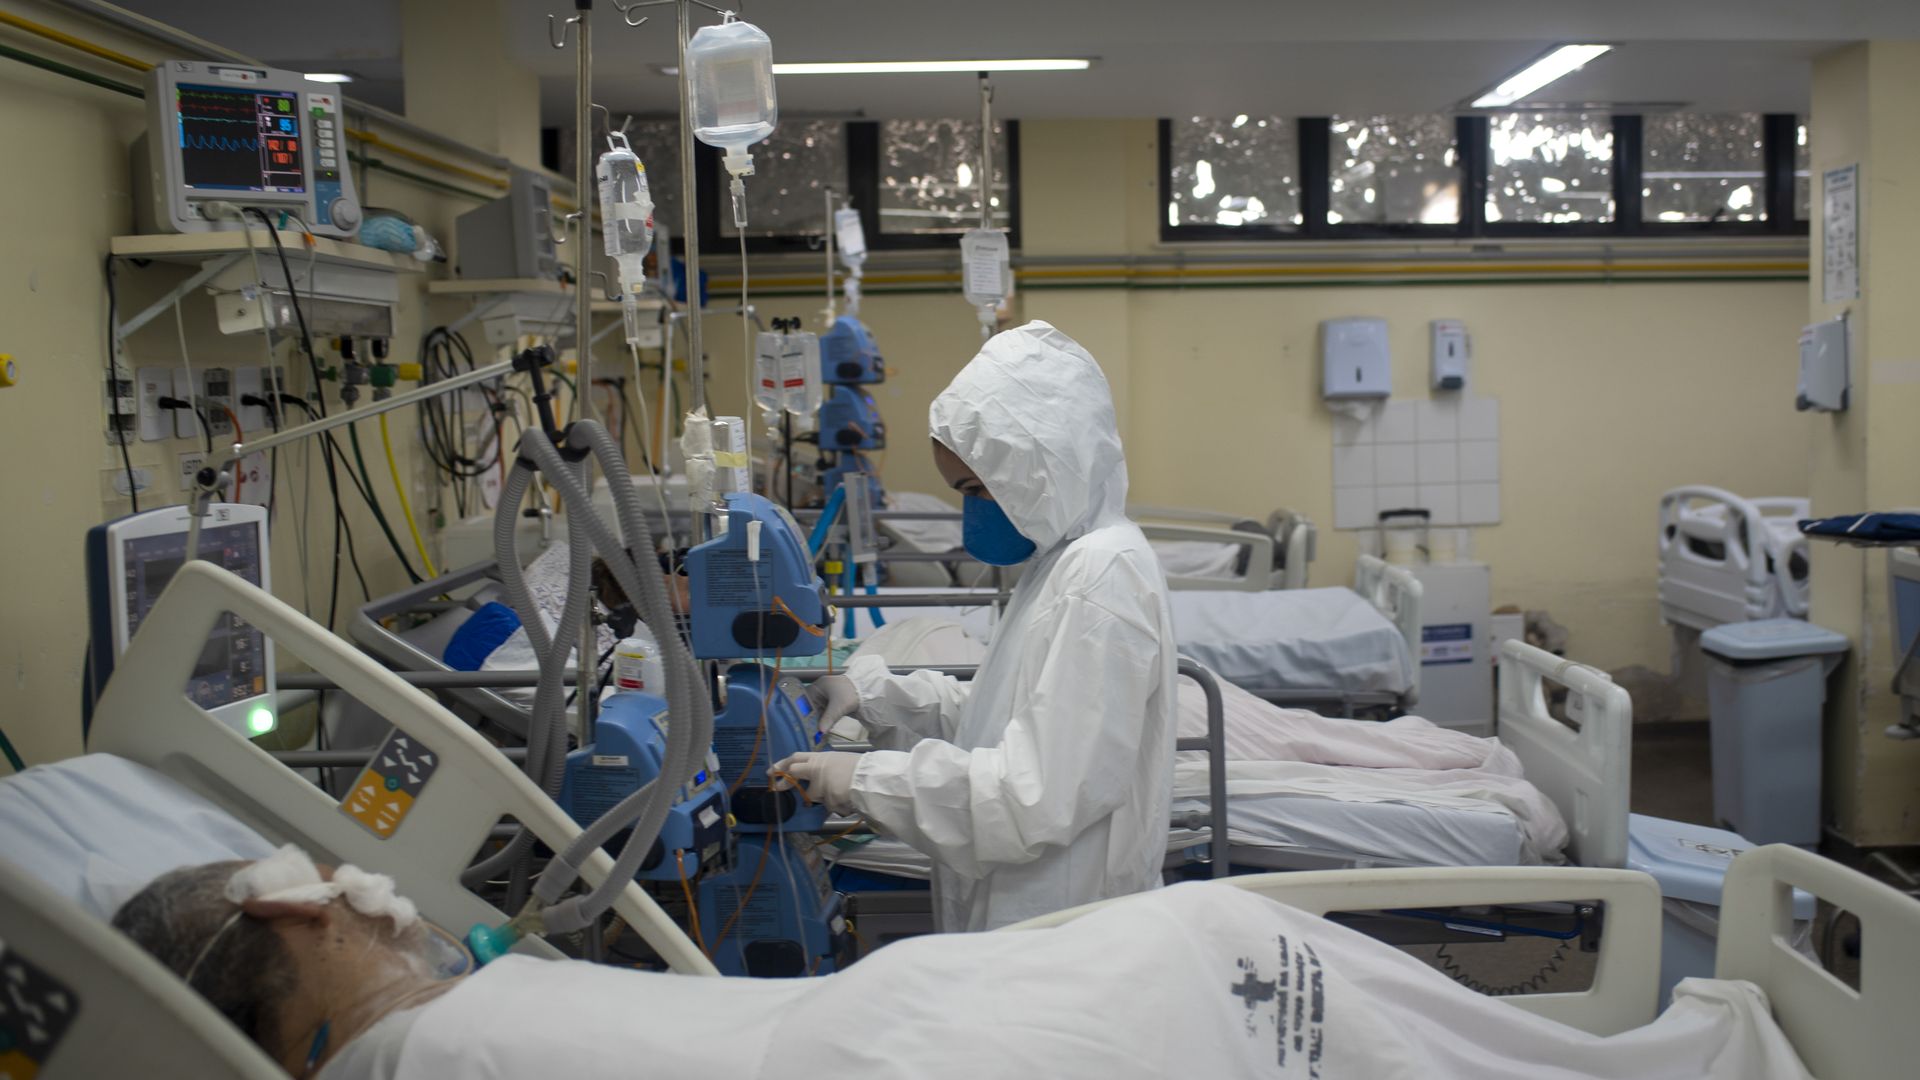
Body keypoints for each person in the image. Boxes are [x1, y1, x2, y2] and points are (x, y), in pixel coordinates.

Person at [112, 852, 1812, 1079]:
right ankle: (1715, 1049)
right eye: (314, 888)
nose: (357, 884)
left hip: (1019, 1005)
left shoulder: (439, 1016)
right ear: (272, 927)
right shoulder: (432, 1053)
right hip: (1013, 1023)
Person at [774, 320, 1179, 931]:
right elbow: (1004, 717)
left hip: (1057, 922)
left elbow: (1031, 794)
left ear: (1038, 467)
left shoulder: (1101, 578)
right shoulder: (1062, 564)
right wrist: (876, 695)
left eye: (973, 488)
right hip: (1036, 911)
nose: (970, 512)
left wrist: (863, 780)